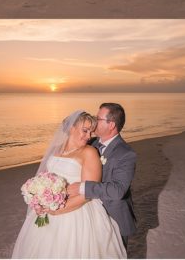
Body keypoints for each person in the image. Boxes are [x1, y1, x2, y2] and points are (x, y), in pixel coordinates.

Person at [11, 110, 126, 258]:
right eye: (85, 130)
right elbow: (45, 179)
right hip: (50, 208)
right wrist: (39, 200)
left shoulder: (89, 152)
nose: (89, 136)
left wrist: (58, 210)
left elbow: (88, 194)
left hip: (77, 212)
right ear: (71, 128)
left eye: (90, 132)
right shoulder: (56, 149)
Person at [67, 102, 138, 249]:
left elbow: (118, 190)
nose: (94, 121)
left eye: (98, 118)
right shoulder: (90, 143)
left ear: (111, 125)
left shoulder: (126, 154)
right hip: (88, 215)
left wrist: (83, 188)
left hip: (113, 216)